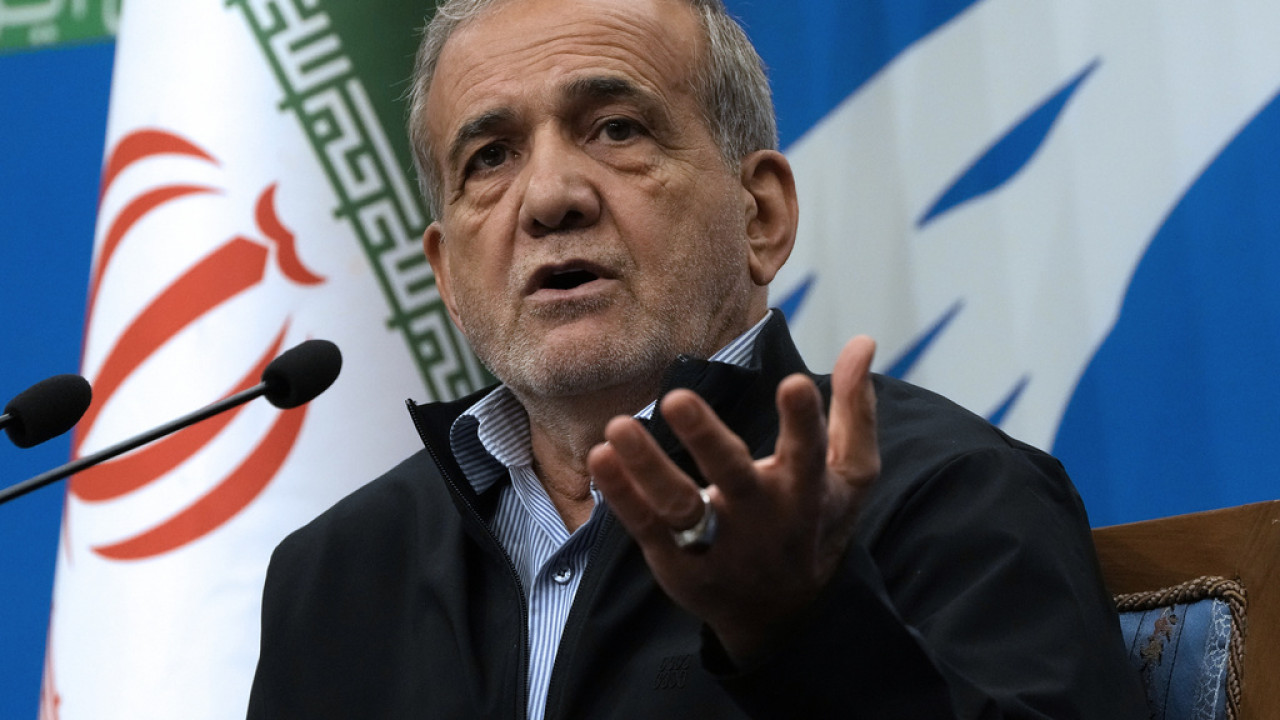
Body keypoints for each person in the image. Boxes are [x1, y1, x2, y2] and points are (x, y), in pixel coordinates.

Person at [247, 0, 1148, 717]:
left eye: (617, 129)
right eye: (490, 157)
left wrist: (801, 630)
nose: (550, 197)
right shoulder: (336, 574)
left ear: (762, 215)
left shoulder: (951, 494)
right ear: (447, 273)